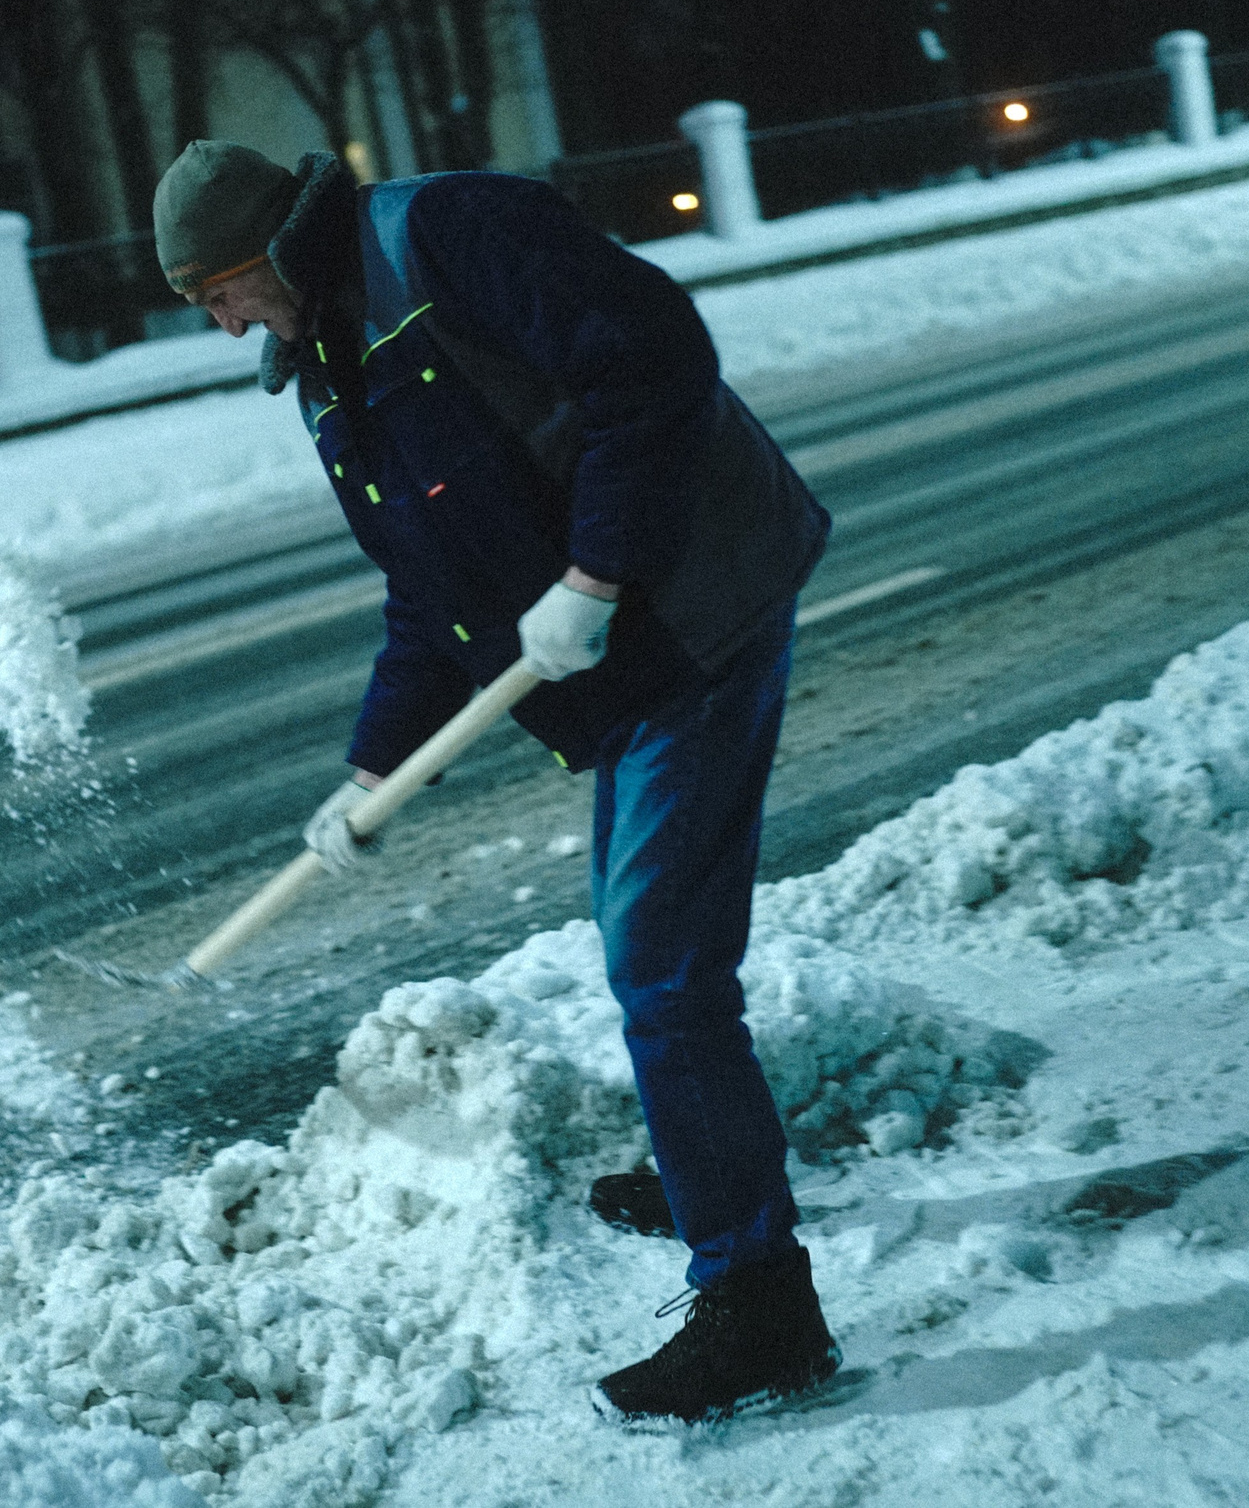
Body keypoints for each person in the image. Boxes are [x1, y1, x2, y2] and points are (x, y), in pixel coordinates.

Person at [151, 140, 840, 1424]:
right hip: (624, 649)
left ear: (264, 256)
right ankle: (712, 1166)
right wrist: (367, 772)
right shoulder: (330, 378)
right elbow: (428, 584)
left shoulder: (447, 236)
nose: (219, 323)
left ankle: (761, 1306)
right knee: (653, 953)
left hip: (695, 600)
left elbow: (654, 361)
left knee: (661, 966)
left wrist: (593, 575)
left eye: (218, 294)